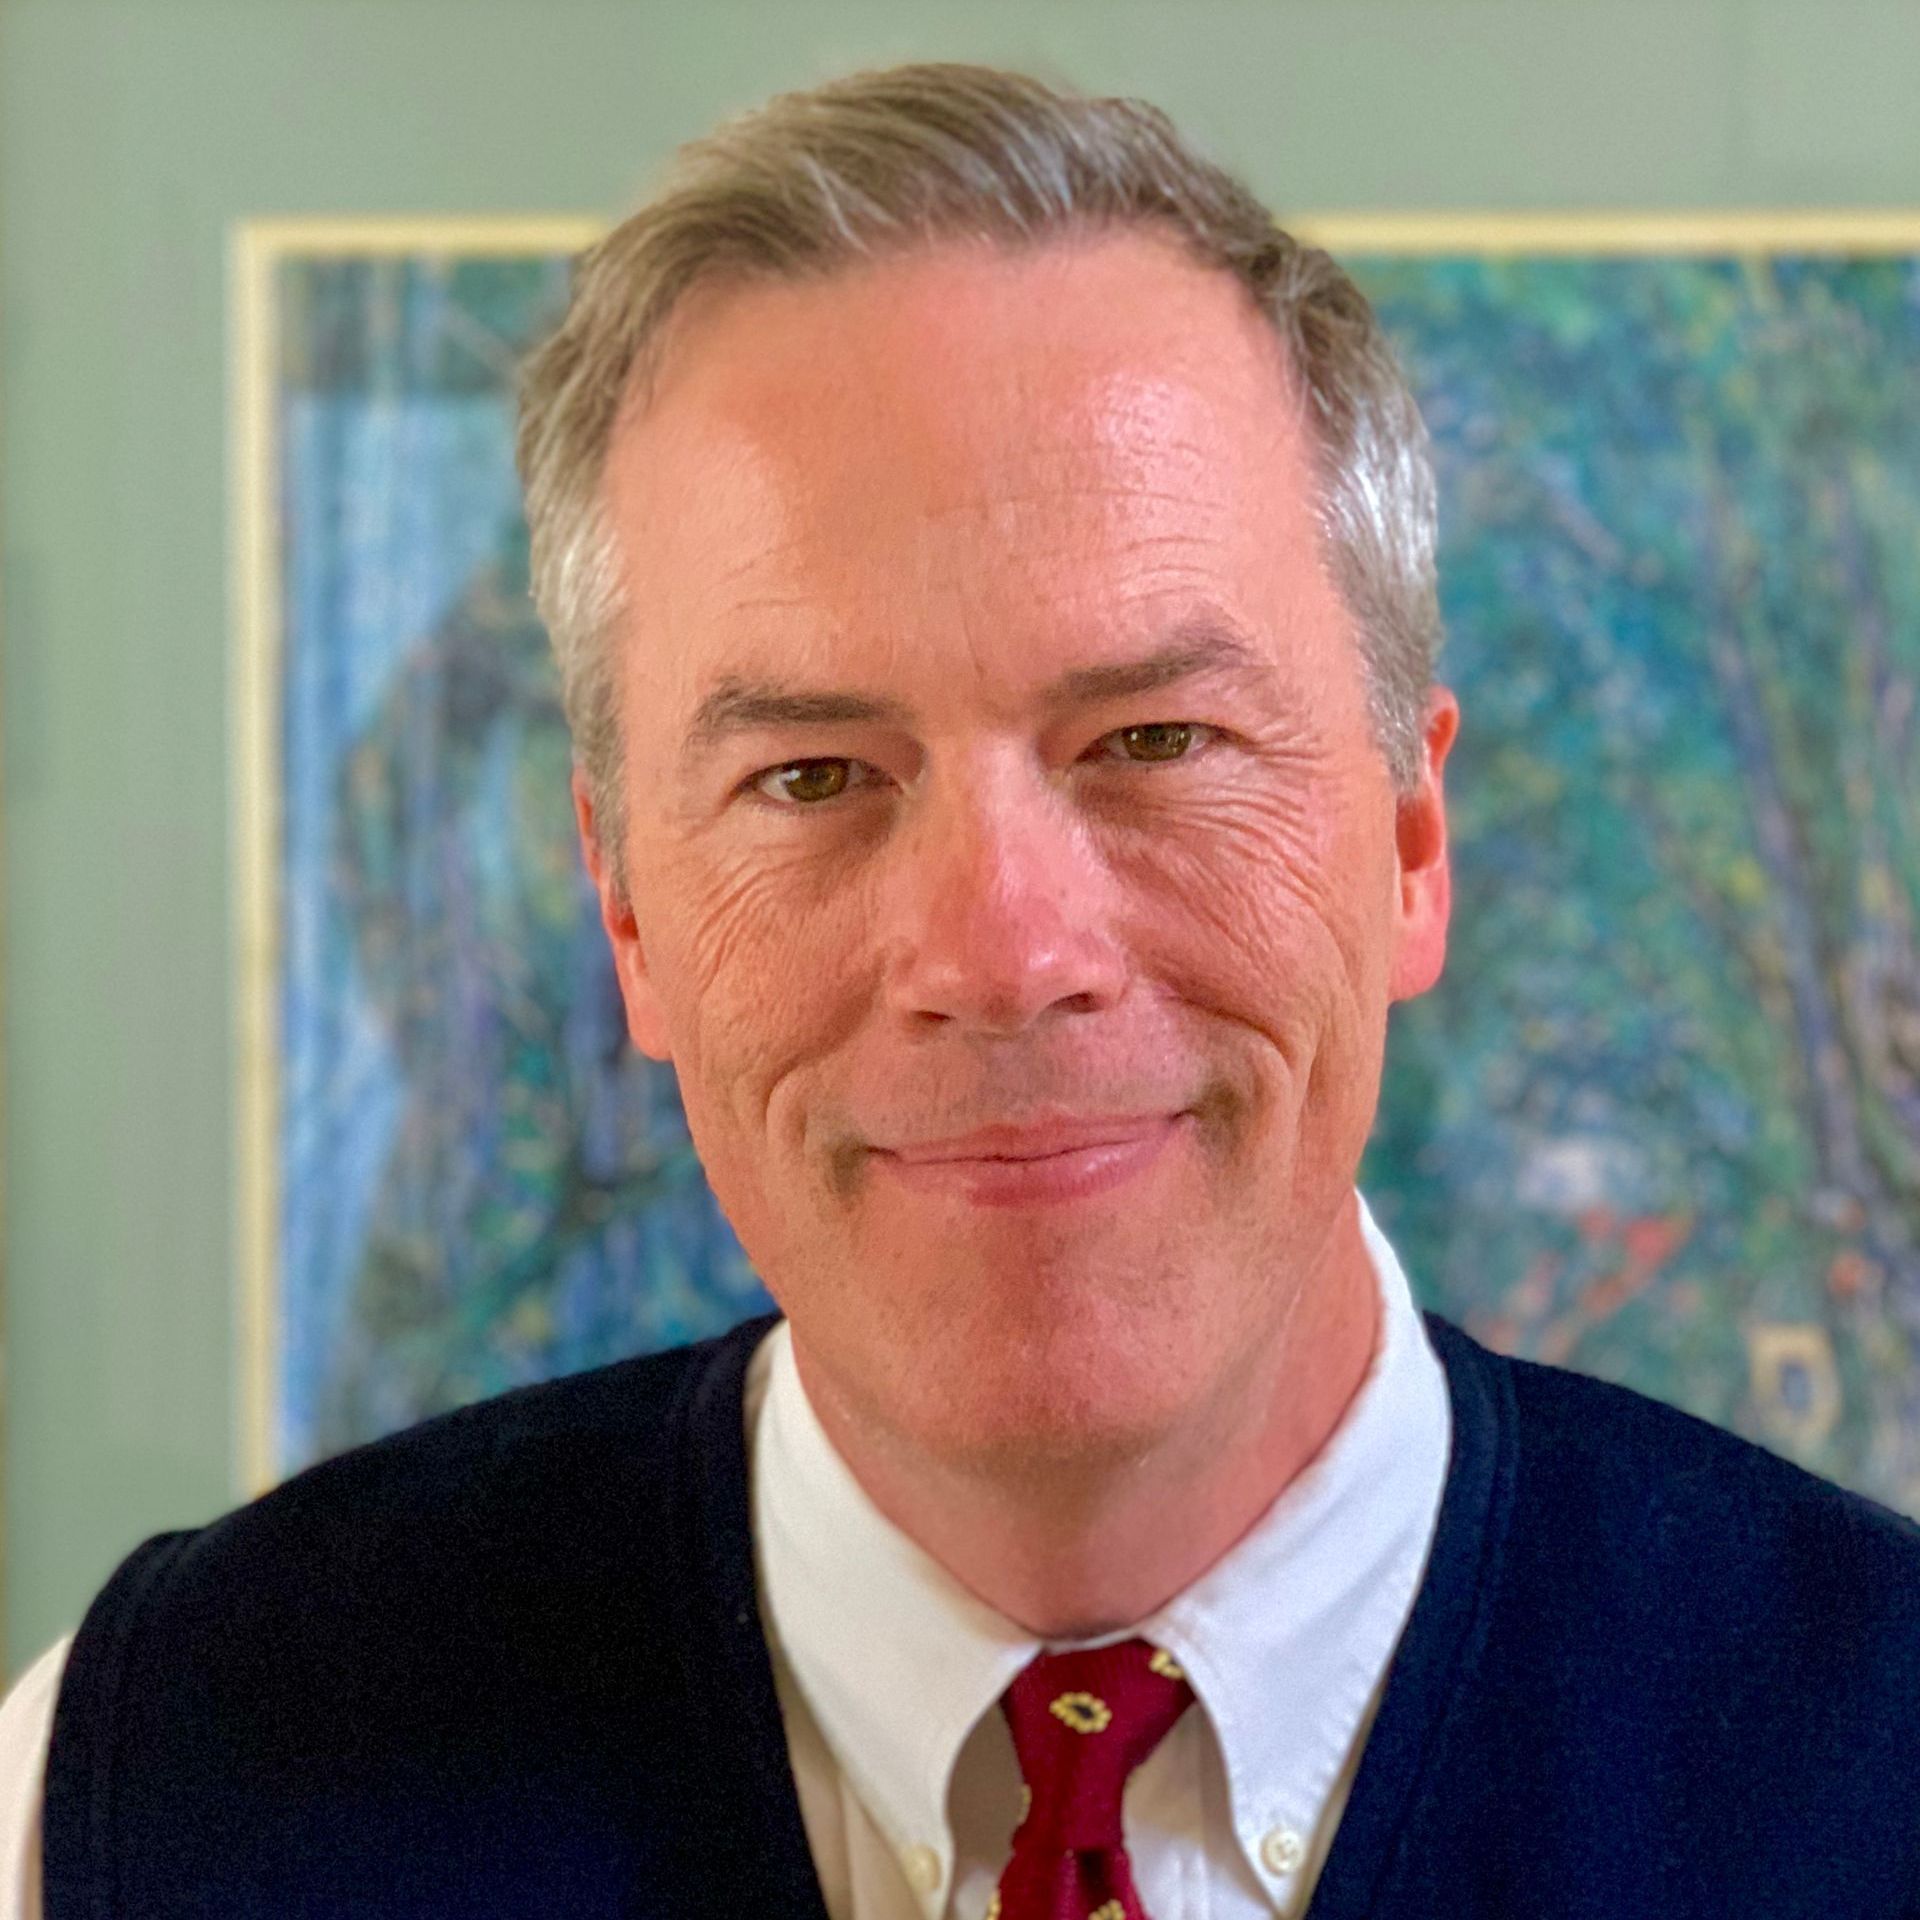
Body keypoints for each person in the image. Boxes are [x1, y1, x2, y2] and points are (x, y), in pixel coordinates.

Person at [4, 60, 1919, 1920]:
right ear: (633, 917)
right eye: (813, 777)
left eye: (1155, 739)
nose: (1004, 952)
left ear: (1413, 842)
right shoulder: (130, 1798)